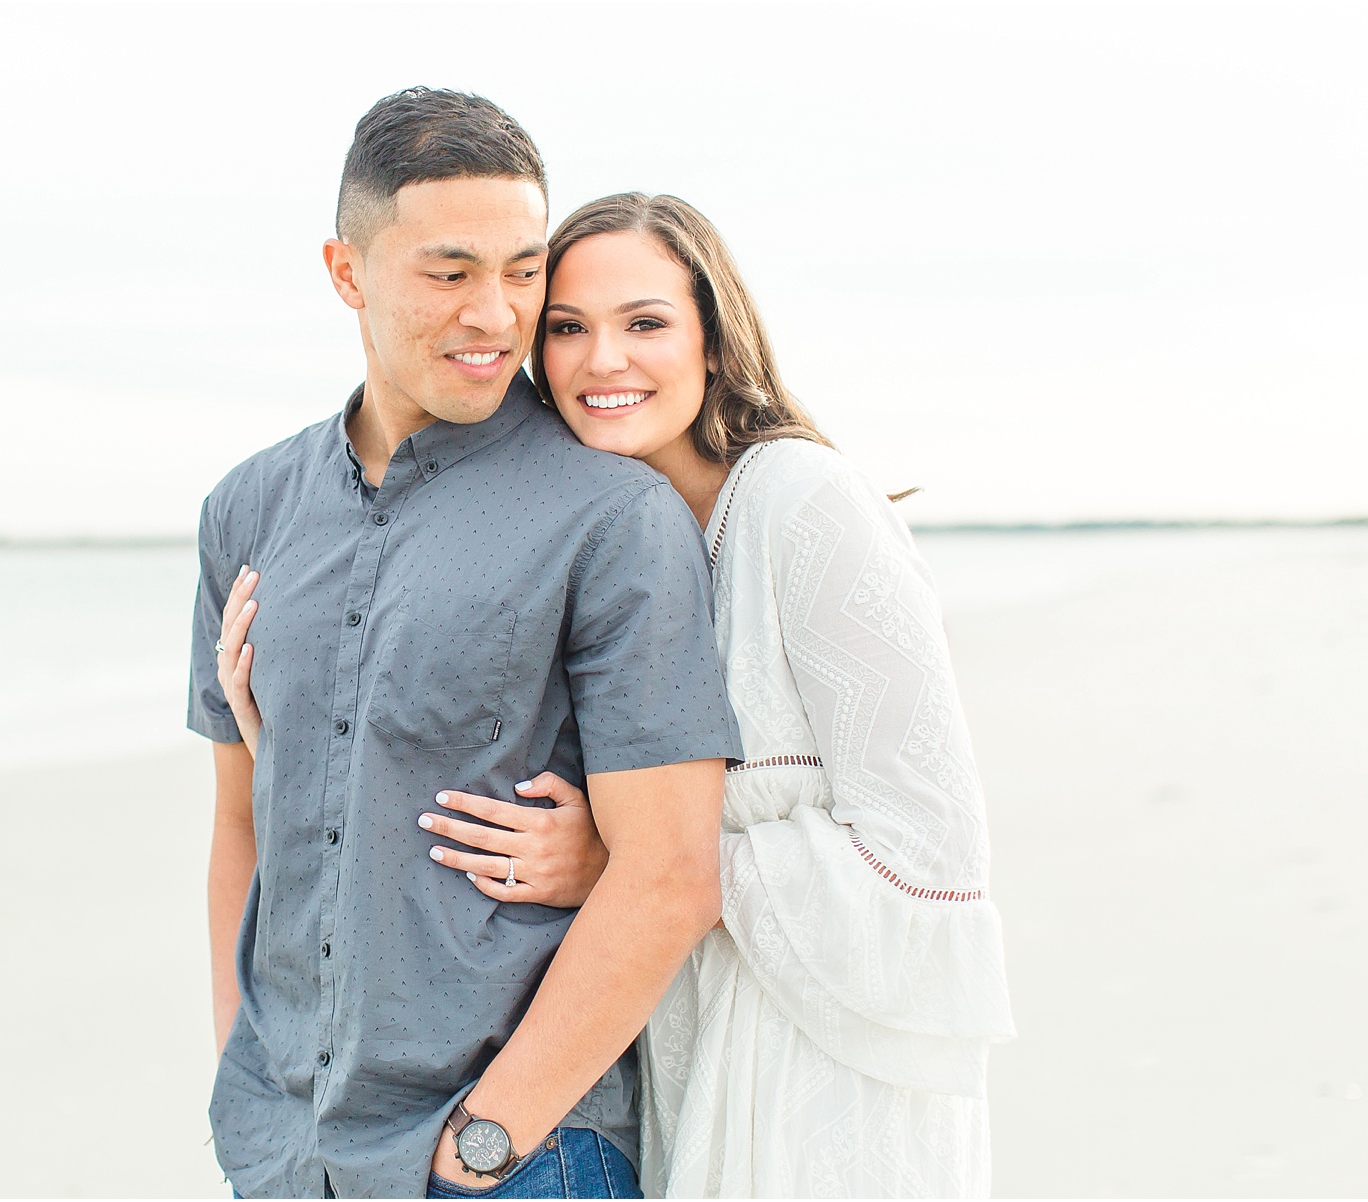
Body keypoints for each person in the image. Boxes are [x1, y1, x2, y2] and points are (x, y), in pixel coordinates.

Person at [188, 93, 742, 1199]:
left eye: (524, 270)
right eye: (450, 272)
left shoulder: (613, 516)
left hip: (512, 1157)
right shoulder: (249, 508)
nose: (496, 313)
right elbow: (245, 819)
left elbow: (673, 871)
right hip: (290, 1160)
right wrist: (244, 1080)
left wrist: (490, 1138)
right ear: (348, 270)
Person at [407, 194, 1018, 1196]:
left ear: (713, 338)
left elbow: (933, 858)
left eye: (644, 322)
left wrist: (644, 865)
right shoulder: (626, 555)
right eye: (568, 327)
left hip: (830, 1082)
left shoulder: (800, 502)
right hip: (694, 1062)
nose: (604, 359)